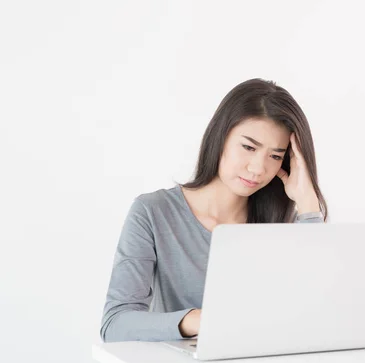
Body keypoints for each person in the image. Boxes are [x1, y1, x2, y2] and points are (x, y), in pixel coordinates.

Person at [100, 78, 328, 344]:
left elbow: (316, 314)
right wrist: (199, 320)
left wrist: (309, 206)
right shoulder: (153, 212)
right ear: (221, 137)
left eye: (275, 156)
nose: (257, 168)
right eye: (249, 147)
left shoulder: (282, 225)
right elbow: (115, 324)